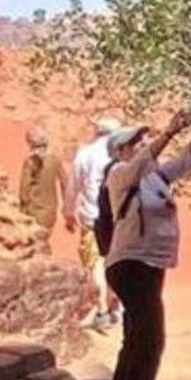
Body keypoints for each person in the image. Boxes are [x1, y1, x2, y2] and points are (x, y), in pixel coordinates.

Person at [94, 107, 191, 380]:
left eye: (144, 139)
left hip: (151, 264)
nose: (143, 145)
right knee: (151, 337)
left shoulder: (156, 178)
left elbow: (190, 159)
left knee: (137, 336)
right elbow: (145, 159)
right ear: (121, 151)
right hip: (130, 263)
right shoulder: (118, 174)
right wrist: (169, 131)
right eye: (135, 142)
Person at [65, 115, 123, 330]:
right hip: (122, 220)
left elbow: (74, 185)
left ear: (97, 131)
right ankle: (115, 307)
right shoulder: (124, 156)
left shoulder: (86, 154)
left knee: (96, 262)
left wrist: (68, 212)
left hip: (93, 218)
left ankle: (101, 310)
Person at [16, 126, 65, 232]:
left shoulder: (30, 161)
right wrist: (66, 206)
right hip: (50, 212)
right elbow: (65, 183)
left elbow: (24, 188)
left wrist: (21, 208)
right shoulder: (55, 159)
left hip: (33, 211)